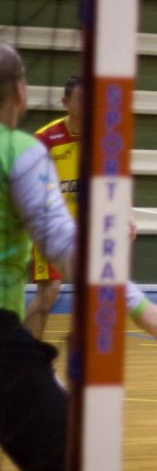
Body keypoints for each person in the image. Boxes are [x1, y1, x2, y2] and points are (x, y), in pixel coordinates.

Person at [0, 43, 157, 471]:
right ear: (21, 93)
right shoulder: (22, 149)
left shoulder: (94, 145)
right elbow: (64, 242)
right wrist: (137, 303)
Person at [24, 74, 83, 339]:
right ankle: (24, 356)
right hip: (50, 227)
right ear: (65, 102)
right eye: (81, 100)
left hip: (88, 229)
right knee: (49, 292)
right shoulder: (45, 139)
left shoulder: (105, 137)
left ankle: (83, 354)